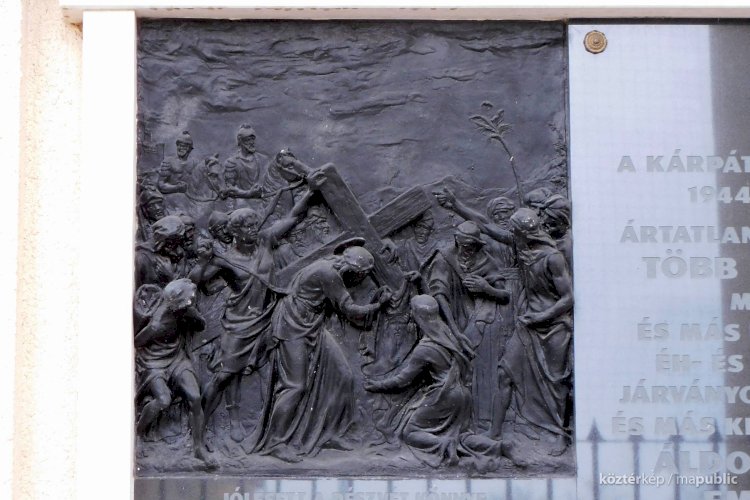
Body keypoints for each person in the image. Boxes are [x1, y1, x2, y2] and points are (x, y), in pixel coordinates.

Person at [190, 171, 326, 443]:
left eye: (254, 225)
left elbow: (291, 218)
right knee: (224, 376)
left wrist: (311, 192)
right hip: (240, 323)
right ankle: (199, 429)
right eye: (248, 227)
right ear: (235, 231)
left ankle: (271, 429)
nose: (253, 230)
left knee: (277, 368)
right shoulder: (226, 259)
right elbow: (194, 281)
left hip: (270, 316)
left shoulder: (265, 240)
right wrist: (203, 261)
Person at [251, 244, 392, 462]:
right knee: (295, 386)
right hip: (293, 325)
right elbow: (350, 310)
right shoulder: (328, 273)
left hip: (312, 324)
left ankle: (330, 432)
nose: (359, 280)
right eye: (360, 276)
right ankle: (275, 442)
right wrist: (378, 306)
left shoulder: (331, 266)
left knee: (342, 375)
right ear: (353, 270)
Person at [496, 208, 573, 457]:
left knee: (556, 384)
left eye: (514, 231)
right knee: (505, 372)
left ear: (523, 233)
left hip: (553, 328)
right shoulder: (523, 251)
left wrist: (541, 316)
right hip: (527, 326)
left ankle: (561, 434)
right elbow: (490, 229)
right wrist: (455, 206)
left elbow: (568, 298)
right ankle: (494, 434)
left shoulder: (553, 258)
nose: (511, 235)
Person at [364, 295, 473, 467]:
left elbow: (403, 380)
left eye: (413, 312)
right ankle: (498, 446)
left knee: (410, 432)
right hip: (463, 395)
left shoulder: (425, 349)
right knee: (462, 434)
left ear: (419, 317)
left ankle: (444, 445)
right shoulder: (449, 335)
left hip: (444, 395)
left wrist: (377, 385)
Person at [427, 221, 510, 431]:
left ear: (477, 245)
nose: (467, 250)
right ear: (457, 241)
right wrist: (454, 331)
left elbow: (505, 296)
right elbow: (439, 294)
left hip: (479, 322)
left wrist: (486, 288)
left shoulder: (486, 261)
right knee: (447, 368)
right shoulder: (444, 258)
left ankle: (478, 420)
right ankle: (447, 418)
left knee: (477, 370)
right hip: (449, 321)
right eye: (464, 245)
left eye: (471, 246)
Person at [134, 278, 214, 465]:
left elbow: (201, 325)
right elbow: (137, 342)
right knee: (164, 400)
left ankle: (198, 448)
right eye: (188, 301)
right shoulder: (156, 324)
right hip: (154, 362)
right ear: (177, 304)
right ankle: (138, 433)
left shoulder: (184, 311)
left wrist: (194, 317)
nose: (191, 302)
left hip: (177, 359)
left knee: (195, 398)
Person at [135, 215, 187, 288]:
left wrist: (170, 275)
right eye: (172, 241)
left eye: (178, 240)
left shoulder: (178, 255)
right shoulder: (142, 257)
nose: (175, 245)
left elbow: (184, 286)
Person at [158, 131, 198, 215]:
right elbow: (161, 185)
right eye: (179, 145)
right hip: (171, 201)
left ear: (190, 148)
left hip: (190, 200)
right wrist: (176, 188)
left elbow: (197, 185)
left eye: (184, 146)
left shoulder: (194, 163)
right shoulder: (168, 161)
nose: (180, 148)